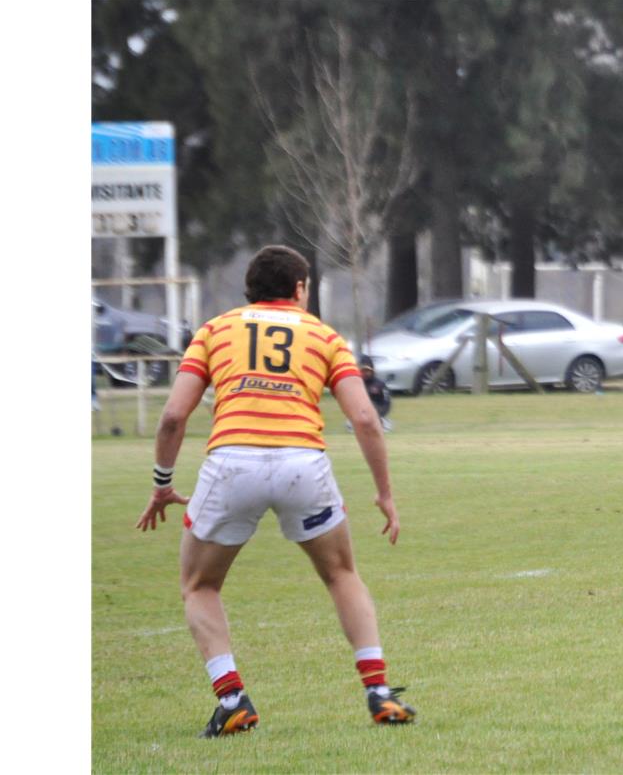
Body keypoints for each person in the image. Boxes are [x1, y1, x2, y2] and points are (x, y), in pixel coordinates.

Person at [136, 245, 416, 738]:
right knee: (341, 574)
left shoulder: (214, 330)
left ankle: (232, 699)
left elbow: (174, 416)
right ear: (300, 289)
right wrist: (385, 493)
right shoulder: (324, 335)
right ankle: (378, 691)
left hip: (231, 464)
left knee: (200, 586)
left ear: (250, 289)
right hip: (302, 465)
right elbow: (366, 418)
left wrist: (162, 484)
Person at [351, 357, 394, 432]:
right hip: (361, 411)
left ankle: (382, 422)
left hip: (378, 409)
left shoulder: (380, 384)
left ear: (372, 370)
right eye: (363, 371)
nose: (365, 373)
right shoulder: (357, 384)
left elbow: (387, 402)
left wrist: (381, 414)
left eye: (367, 371)